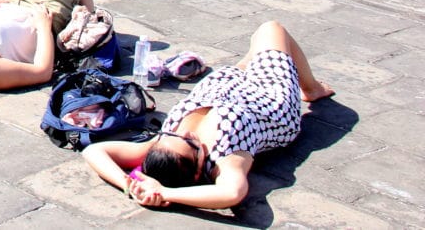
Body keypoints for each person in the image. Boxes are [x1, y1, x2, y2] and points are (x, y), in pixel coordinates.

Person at [81, 21, 335, 210]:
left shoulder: (164, 146)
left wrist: (129, 184)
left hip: (226, 89)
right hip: (268, 100)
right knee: (271, 30)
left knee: (259, 41)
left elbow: (93, 151)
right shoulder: (227, 158)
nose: (187, 133)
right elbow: (232, 193)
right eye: (193, 144)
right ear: (198, 170)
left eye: (174, 134)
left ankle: (273, 66)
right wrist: (166, 193)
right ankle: (310, 89)